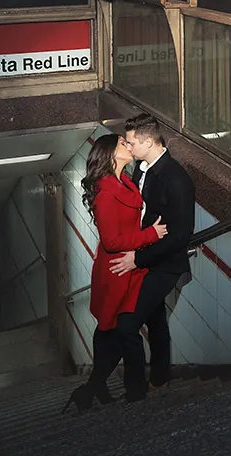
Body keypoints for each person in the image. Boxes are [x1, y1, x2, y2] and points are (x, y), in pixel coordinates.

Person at [63, 134, 168, 413]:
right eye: (123, 143)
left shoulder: (124, 180)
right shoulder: (106, 191)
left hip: (130, 267)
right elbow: (112, 241)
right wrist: (150, 235)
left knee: (116, 330)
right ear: (110, 154)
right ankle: (104, 389)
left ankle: (93, 388)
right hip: (117, 271)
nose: (128, 146)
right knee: (116, 329)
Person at [109, 114, 195, 396]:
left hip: (164, 266)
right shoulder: (141, 168)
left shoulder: (177, 180)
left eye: (131, 142)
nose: (128, 146)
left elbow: (181, 236)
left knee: (126, 325)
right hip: (144, 257)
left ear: (148, 141)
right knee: (155, 320)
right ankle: (159, 379)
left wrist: (137, 259)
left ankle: (135, 391)